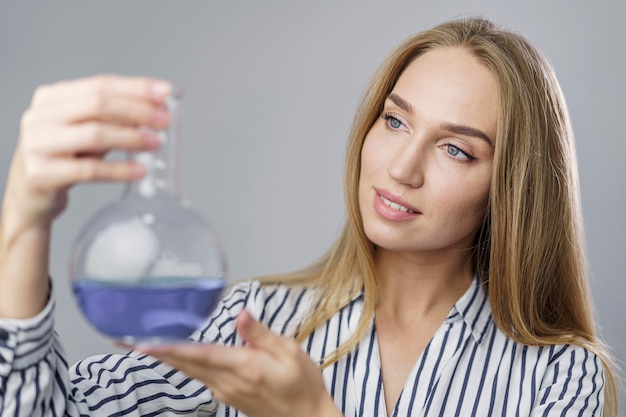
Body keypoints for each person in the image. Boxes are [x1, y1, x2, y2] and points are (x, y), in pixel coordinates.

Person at [0, 17, 618, 417]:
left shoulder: (561, 378)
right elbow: (43, 409)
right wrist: (24, 222)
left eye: (456, 148)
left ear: (510, 187)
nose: (402, 167)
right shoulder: (254, 322)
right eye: (395, 121)